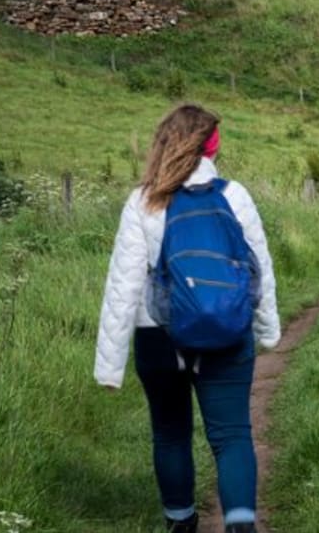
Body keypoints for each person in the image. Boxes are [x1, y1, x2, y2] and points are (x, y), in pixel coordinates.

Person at [93, 104, 280, 533]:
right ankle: (240, 525)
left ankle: (181, 522)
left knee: (171, 433)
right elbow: (259, 268)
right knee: (232, 435)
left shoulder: (143, 202)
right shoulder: (235, 196)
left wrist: (109, 366)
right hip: (228, 334)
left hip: (157, 337)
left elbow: (122, 286)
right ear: (210, 146)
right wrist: (268, 329)